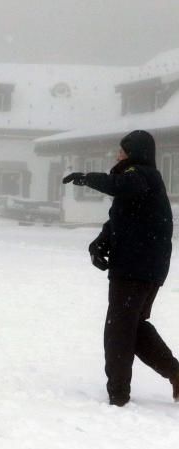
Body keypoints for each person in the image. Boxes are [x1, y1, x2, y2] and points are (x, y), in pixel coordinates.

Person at [63, 130, 179, 406]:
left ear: (135, 153)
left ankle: (118, 396)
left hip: (135, 269)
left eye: (123, 151)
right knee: (133, 328)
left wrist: (87, 178)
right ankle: (176, 373)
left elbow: (121, 186)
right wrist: (100, 242)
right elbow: (120, 218)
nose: (118, 155)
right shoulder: (140, 181)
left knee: (118, 331)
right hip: (144, 267)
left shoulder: (142, 176)